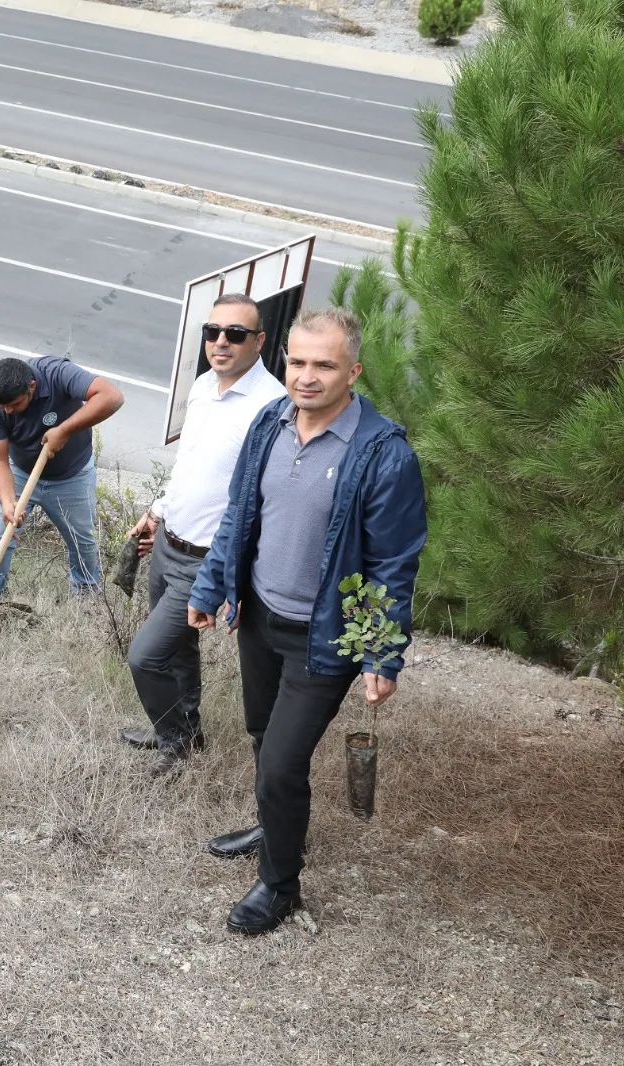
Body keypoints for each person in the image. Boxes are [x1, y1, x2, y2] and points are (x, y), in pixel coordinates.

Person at [187, 307, 427, 935]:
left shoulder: (382, 454)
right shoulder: (268, 423)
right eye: (297, 362)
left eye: (325, 364)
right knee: (264, 735)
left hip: (327, 638)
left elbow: (392, 564)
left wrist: (380, 655)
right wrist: (214, 586)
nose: (308, 377)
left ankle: (279, 885)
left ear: (354, 369)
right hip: (261, 616)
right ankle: (274, 827)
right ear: (283, 360)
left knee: (282, 762)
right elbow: (239, 515)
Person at [120, 295, 284, 776]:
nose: (220, 342)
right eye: (212, 332)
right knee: (177, 649)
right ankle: (186, 728)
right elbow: (190, 466)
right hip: (169, 542)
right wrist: (157, 512)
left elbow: (257, 500)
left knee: (145, 657)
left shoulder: (269, 406)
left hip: (206, 560)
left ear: (259, 341)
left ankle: (175, 743)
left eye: (235, 334)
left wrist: (232, 575)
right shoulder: (201, 387)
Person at [0, 356, 124, 601]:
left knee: (82, 541)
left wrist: (64, 431)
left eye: (14, 404)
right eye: (3, 406)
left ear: (31, 387)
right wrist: (7, 501)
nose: (8, 411)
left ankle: (86, 599)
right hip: (20, 474)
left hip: (72, 475)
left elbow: (112, 396)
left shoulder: (57, 373)